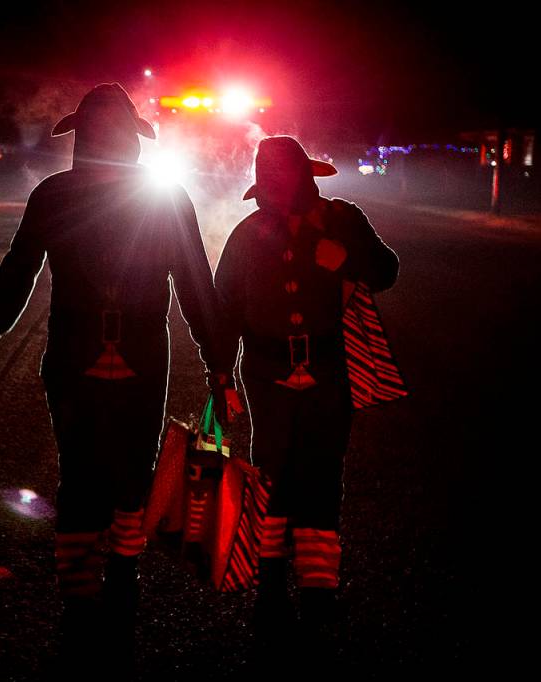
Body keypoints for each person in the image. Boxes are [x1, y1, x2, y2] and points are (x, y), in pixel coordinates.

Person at [0, 82, 237, 676]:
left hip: (135, 357)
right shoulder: (56, 197)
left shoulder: (162, 201)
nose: (105, 139)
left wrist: (220, 362)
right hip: (77, 357)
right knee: (86, 478)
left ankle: (115, 575)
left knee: (127, 480)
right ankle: (87, 591)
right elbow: (19, 270)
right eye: (99, 131)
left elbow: (194, 284)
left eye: (113, 132)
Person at [213, 135, 400, 672]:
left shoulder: (342, 220)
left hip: (327, 369)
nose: (275, 184)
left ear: (304, 175)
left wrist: (347, 260)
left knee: (321, 479)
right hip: (268, 374)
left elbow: (386, 270)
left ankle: (318, 590)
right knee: (273, 479)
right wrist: (221, 376)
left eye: (282, 174)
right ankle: (270, 590)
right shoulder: (247, 235)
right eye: (266, 174)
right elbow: (226, 309)